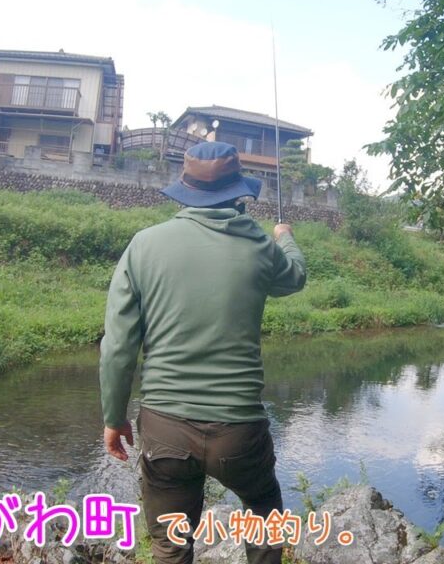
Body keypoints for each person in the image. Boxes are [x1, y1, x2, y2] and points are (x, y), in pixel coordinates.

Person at [100, 141, 306, 564]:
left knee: (170, 545)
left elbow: (119, 345)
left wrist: (113, 417)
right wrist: (284, 238)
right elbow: (295, 278)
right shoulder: (261, 247)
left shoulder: (144, 245)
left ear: (185, 189)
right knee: (264, 516)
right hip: (240, 429)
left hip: (165, 428)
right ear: (238, 192)